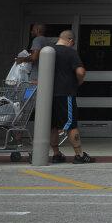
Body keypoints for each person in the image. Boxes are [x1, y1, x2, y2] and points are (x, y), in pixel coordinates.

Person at [48, 30, 95, 164]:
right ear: (70, 40)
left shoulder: (48, 50)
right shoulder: (70, 52)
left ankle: (56, 154)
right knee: (71, 125)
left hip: (49, 94)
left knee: (53, 126)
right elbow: (81, 71)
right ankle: (79, 155)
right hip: (65, 93)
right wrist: (78, 82)